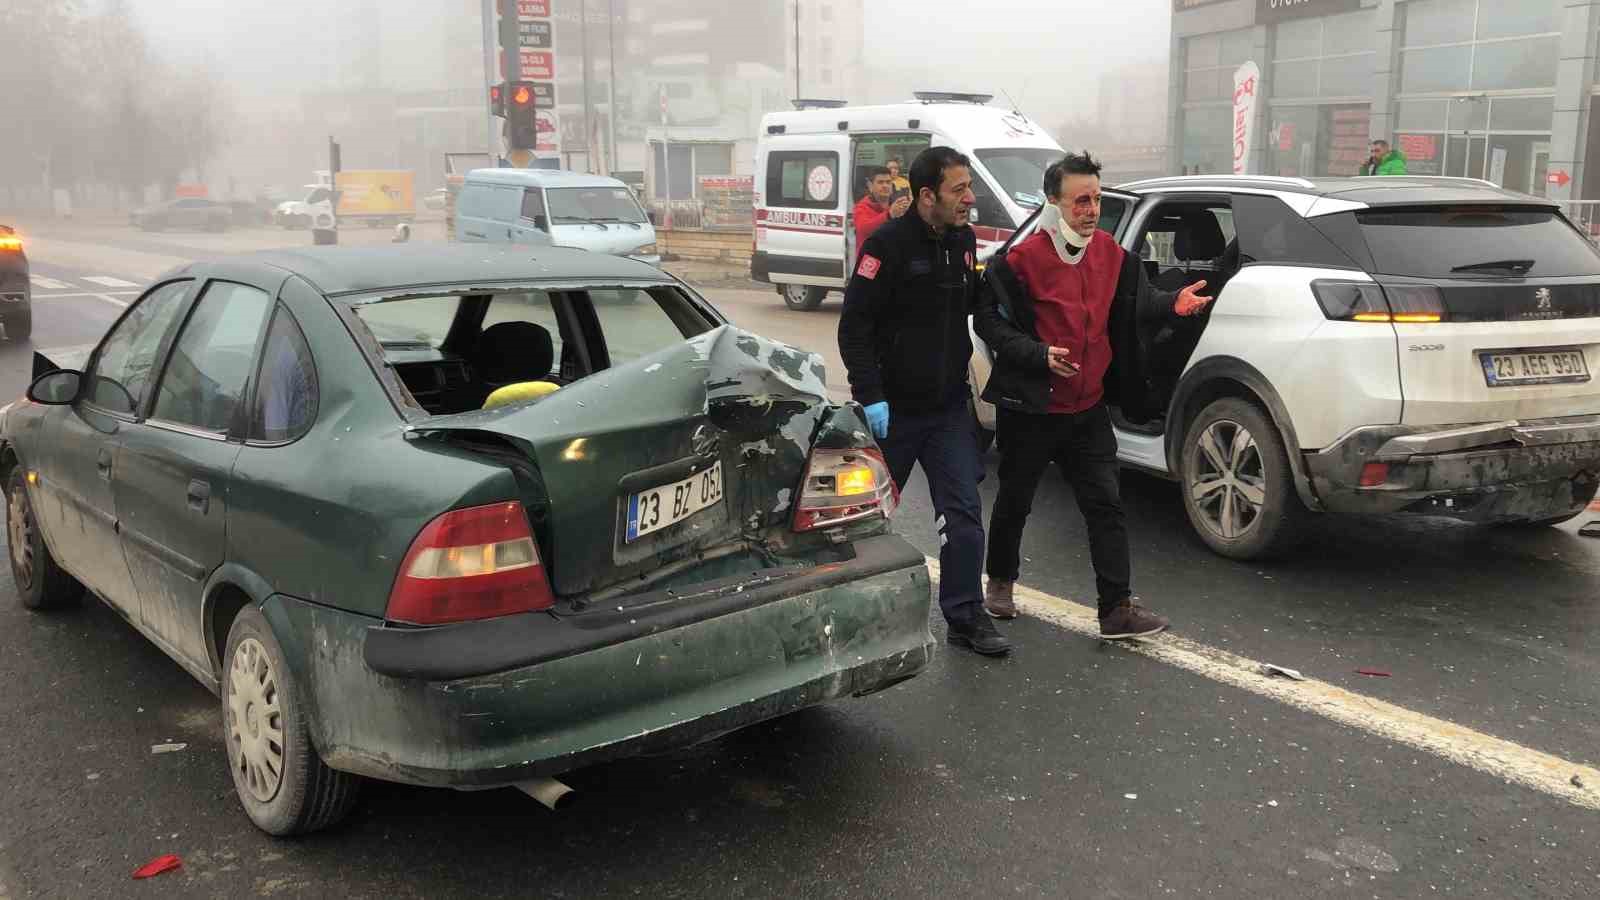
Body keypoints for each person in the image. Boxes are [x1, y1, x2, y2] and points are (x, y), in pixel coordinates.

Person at [973, 151, 1211, 639]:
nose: (1091, 209)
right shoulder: (1020, 261)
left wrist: (1174, 304)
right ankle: (1000, 581)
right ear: (1053, 203)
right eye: (1081, 200)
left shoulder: (1111, 255)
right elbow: (989, 322)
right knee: (1015, 500)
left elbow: (1140, 305)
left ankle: (1116, 609)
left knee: (1106, 506)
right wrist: (1038, 355)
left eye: (1097, 199)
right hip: (1034, 409)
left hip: (1087, 408)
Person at [838, 146, 1011, 657]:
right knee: (862, 519)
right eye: (960, 189)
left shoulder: (961, 241)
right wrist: (870, 396)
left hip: (947, 411)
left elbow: (973, 303)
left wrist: (1003, 289)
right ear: (927, 195)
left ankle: (965, 615)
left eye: (969, 187)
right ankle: (847, 616)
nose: (970, 198)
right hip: (893, 413)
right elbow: (855, 328)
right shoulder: (886, 246)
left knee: (962, 517)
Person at [852, 166, 911, 259]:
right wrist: (889, 215)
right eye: (880, 182)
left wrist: (910, 212)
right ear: (870, 185)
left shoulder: (896, 205)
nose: (885, 186)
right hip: (870, 263)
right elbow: (863, 229)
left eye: (888, 182)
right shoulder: (861, 207)